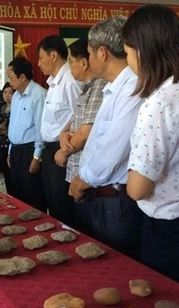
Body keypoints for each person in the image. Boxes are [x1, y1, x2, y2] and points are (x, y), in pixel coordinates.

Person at [123, 4, 179, 295]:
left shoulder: (161, 102)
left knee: (169, 302)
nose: (129, 63)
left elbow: (137, 188)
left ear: (143, 52)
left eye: (129, 54)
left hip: (171, 232)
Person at [68, 17, 144, 260]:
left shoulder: (132, 87)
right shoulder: (112, 87)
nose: (87, 60)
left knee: (115, 271)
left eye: (88, 53)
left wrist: (81, 181)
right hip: (99, 196)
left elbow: (115, 151)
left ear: (102, 52)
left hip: (114, 201)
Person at [53, 37, 107, 234]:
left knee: (91, 235)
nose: (69, 67)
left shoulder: (99, 87)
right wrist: (62, 135)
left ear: (84, 62)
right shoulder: (86, 89)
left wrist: (63, 153)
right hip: (76, 173)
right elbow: (72, 122)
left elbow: (86, 132)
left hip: (88, 177)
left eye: (71, 62)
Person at [36, 35, 80, 226]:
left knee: (63, 207)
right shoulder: (53, 83)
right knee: (52, 204)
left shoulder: (70, 81)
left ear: (53, 56)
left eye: (40, 57)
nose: (38, 64)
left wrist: (64, 149)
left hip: (63, 152)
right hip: (48, 151)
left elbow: (82, 116)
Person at [6, 57, 47, 212]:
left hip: (30, 152)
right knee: (17, 195)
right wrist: (10, 151)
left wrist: (37, 157)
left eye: (11, 78)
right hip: (16, 151)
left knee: (33, 196)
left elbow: (40, 129)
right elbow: (13, 126)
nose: (10, 82)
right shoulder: (16, 96)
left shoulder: (39, 95)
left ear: (22, 77)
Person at [0, 82, 14, 194]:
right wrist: (0, 129)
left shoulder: (16, 108)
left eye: (11, 93)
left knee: (13, 174)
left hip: (12, 143)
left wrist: (2, 128)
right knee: (5, 173)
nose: (7, 95)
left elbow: (8, 127)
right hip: (1, 144)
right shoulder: (1, 109)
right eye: (5, 92)